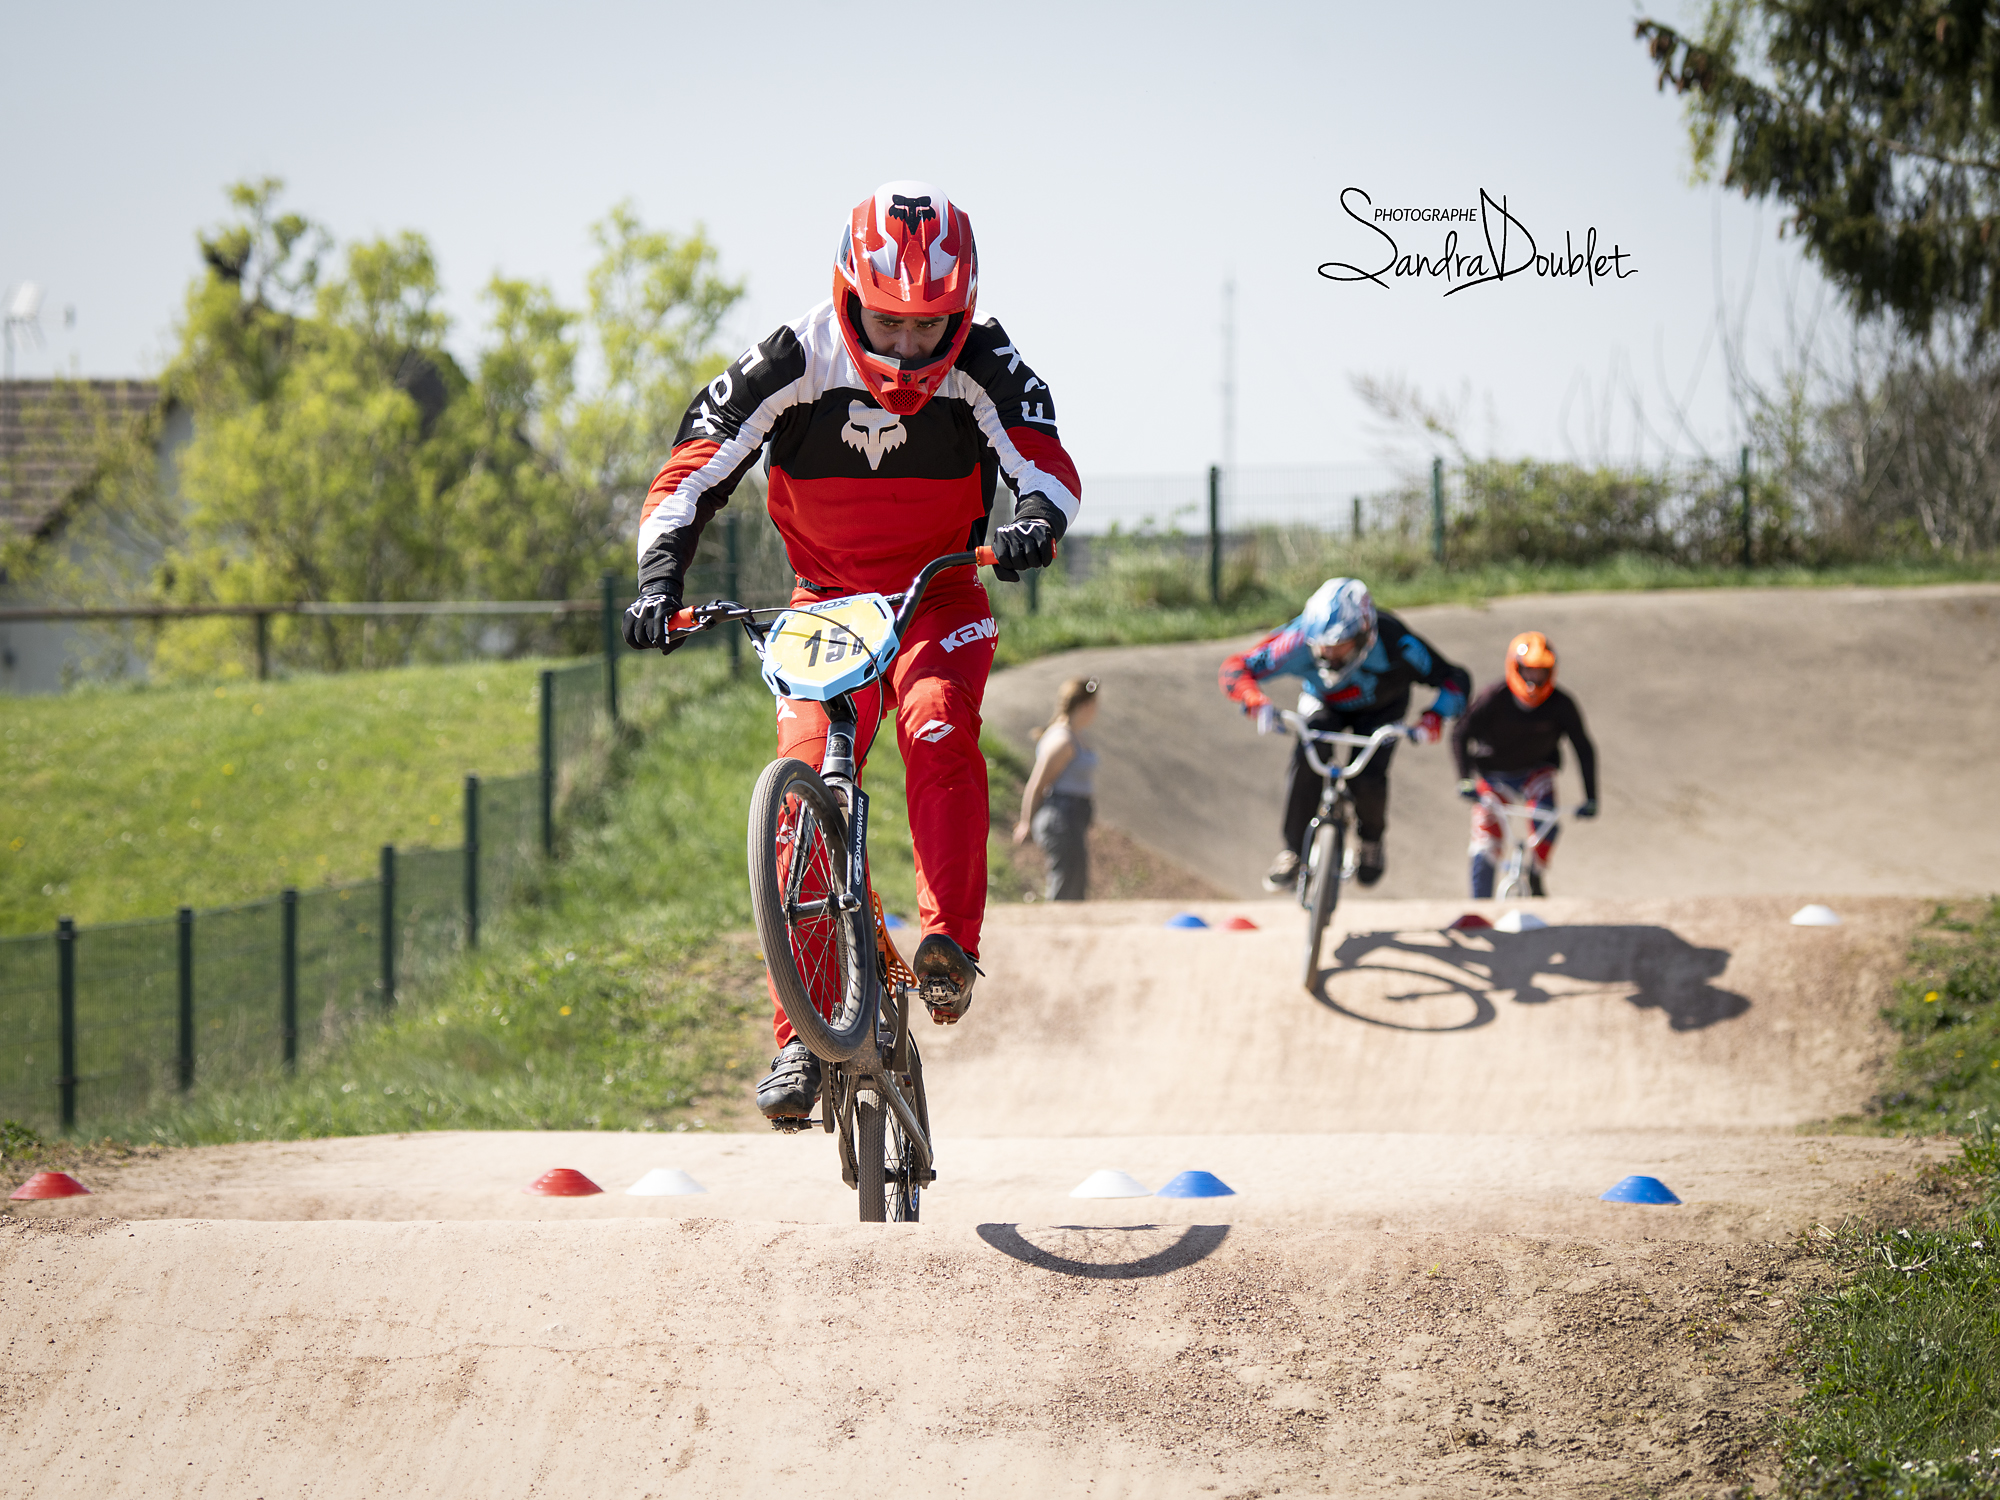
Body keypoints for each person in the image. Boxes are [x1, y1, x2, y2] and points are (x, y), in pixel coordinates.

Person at [621, 181, 1081, 1121]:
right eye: (888, 321)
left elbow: (1046, 460)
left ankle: (948, 947)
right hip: (827, 600)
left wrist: (1034, 520)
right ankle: (803, 1034)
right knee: (798, 795)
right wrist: (658, 579)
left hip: (937, 590)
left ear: (962, 310)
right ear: (846, 293)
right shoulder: (793, 359)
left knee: (937, 722)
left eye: (929, 326)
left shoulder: (986, 360)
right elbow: (691, 469)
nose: (908, 346)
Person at [1220, 577, 1469, 891]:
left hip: (1383, 709)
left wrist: (1436, 716)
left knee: (1368, 779)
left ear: (1366, 633)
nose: (1328, 655)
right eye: (1322, 645)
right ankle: (1293, 850)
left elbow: (1455, 678)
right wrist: (1253, 699)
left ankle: (1371, 842)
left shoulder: (1398, 644)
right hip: (1324, 704)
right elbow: (1235, 666)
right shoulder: (1297, 640)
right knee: (1309, 755)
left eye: (1340, 645)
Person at [1451, 631, 1599, 898]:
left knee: (1546, 823)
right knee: (1486, 841)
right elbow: (1460, 732)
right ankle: (1480, 908)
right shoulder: (1494, 697)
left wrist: (1591, 797)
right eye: (1528, 671)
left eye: (1540, 672)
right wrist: (1464, 779)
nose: (1533, 679)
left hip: (1535, 772)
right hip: (1493, 775)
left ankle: (1536, 874)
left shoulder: (1561, 704)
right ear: (1515, 667)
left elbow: (1583, 748)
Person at [1013, 677, 1100, 901]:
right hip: (1061, 818)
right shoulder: (1062, 740)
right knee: (1066, 883)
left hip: (1072, 817)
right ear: (1085, 705)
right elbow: (1038, 784)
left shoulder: (1071, 735)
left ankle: (1066, 931)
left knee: (1075, 880)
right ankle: (1056, 932)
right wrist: (1026, 822)